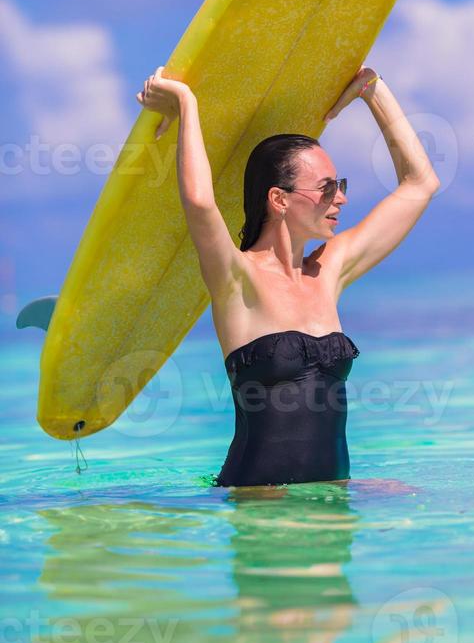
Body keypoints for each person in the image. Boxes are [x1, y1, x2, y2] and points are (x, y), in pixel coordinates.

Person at [136, 65, 440, 487]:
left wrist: (372, 90)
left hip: (332, 504)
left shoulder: (328, 271)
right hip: (260, 506)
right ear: (278, 198)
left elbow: (419, 184)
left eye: (341, 185)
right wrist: (186, 103)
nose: (342, 199)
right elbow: (200, 202)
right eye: (327, 188)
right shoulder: (235, 278)